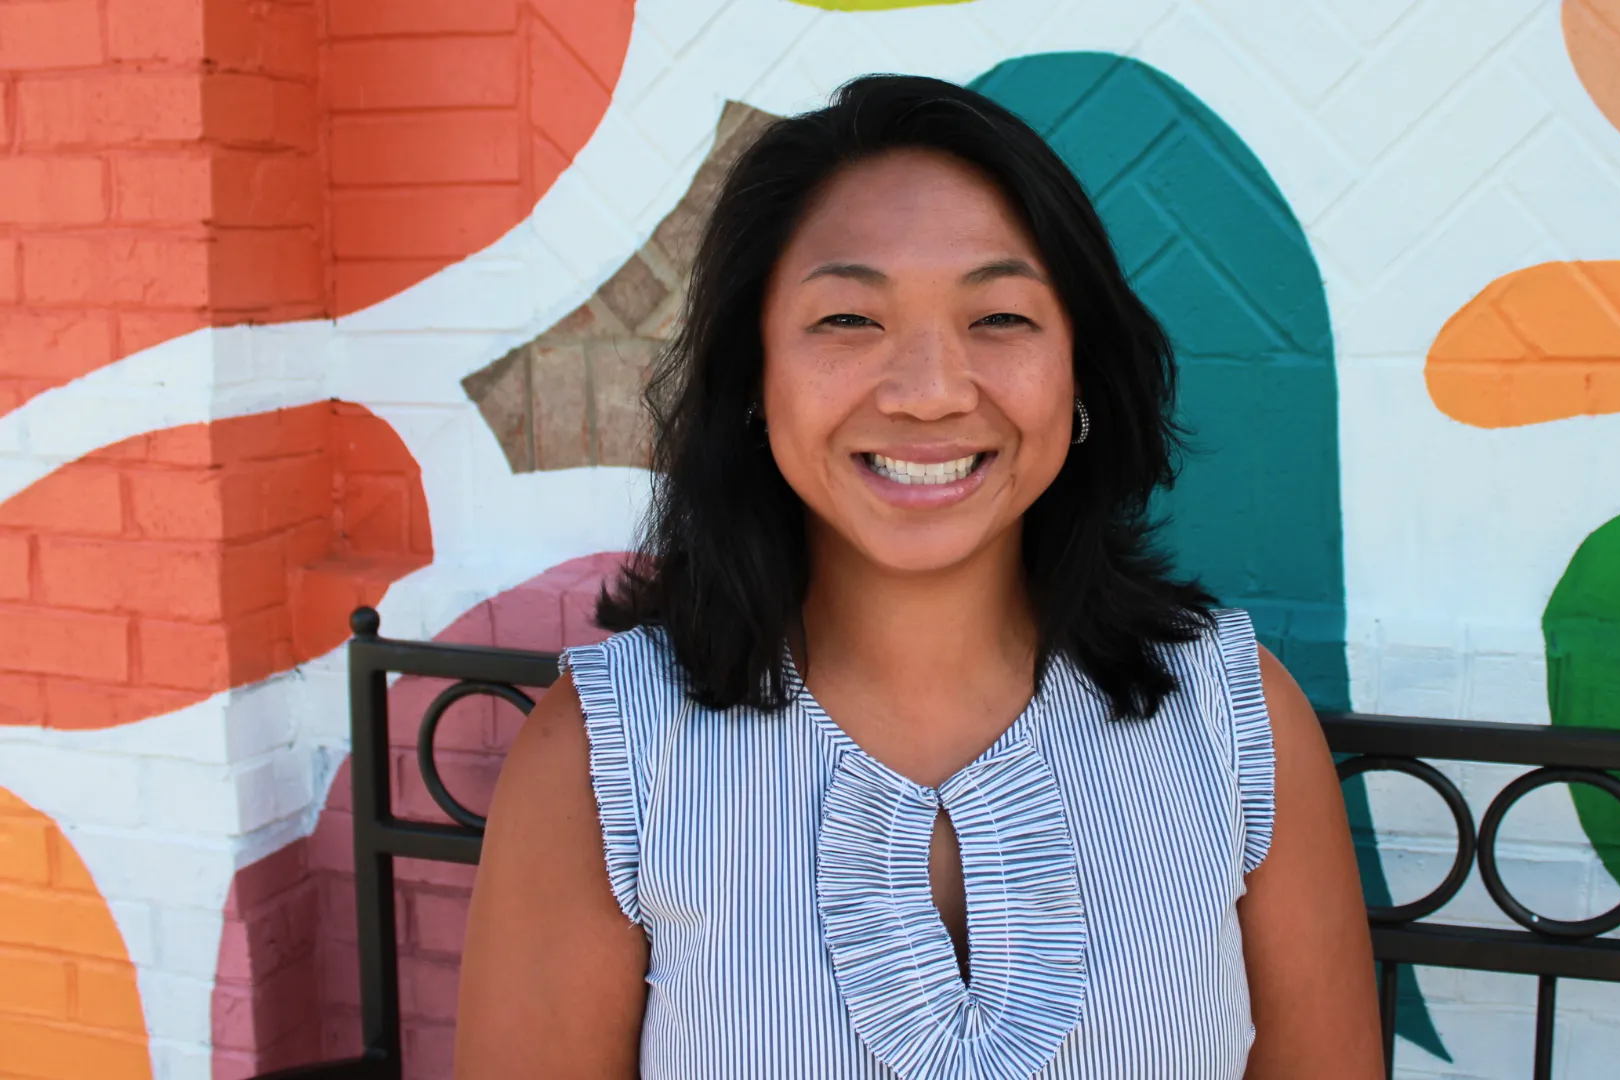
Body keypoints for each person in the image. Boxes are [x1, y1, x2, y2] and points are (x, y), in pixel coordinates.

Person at [454, 73, 1382, 1079]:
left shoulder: (1236, 723)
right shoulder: (600, 763)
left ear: (1080, 369)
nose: (932, 393)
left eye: (1000, 319)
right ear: (754, 377)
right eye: (849, 320)